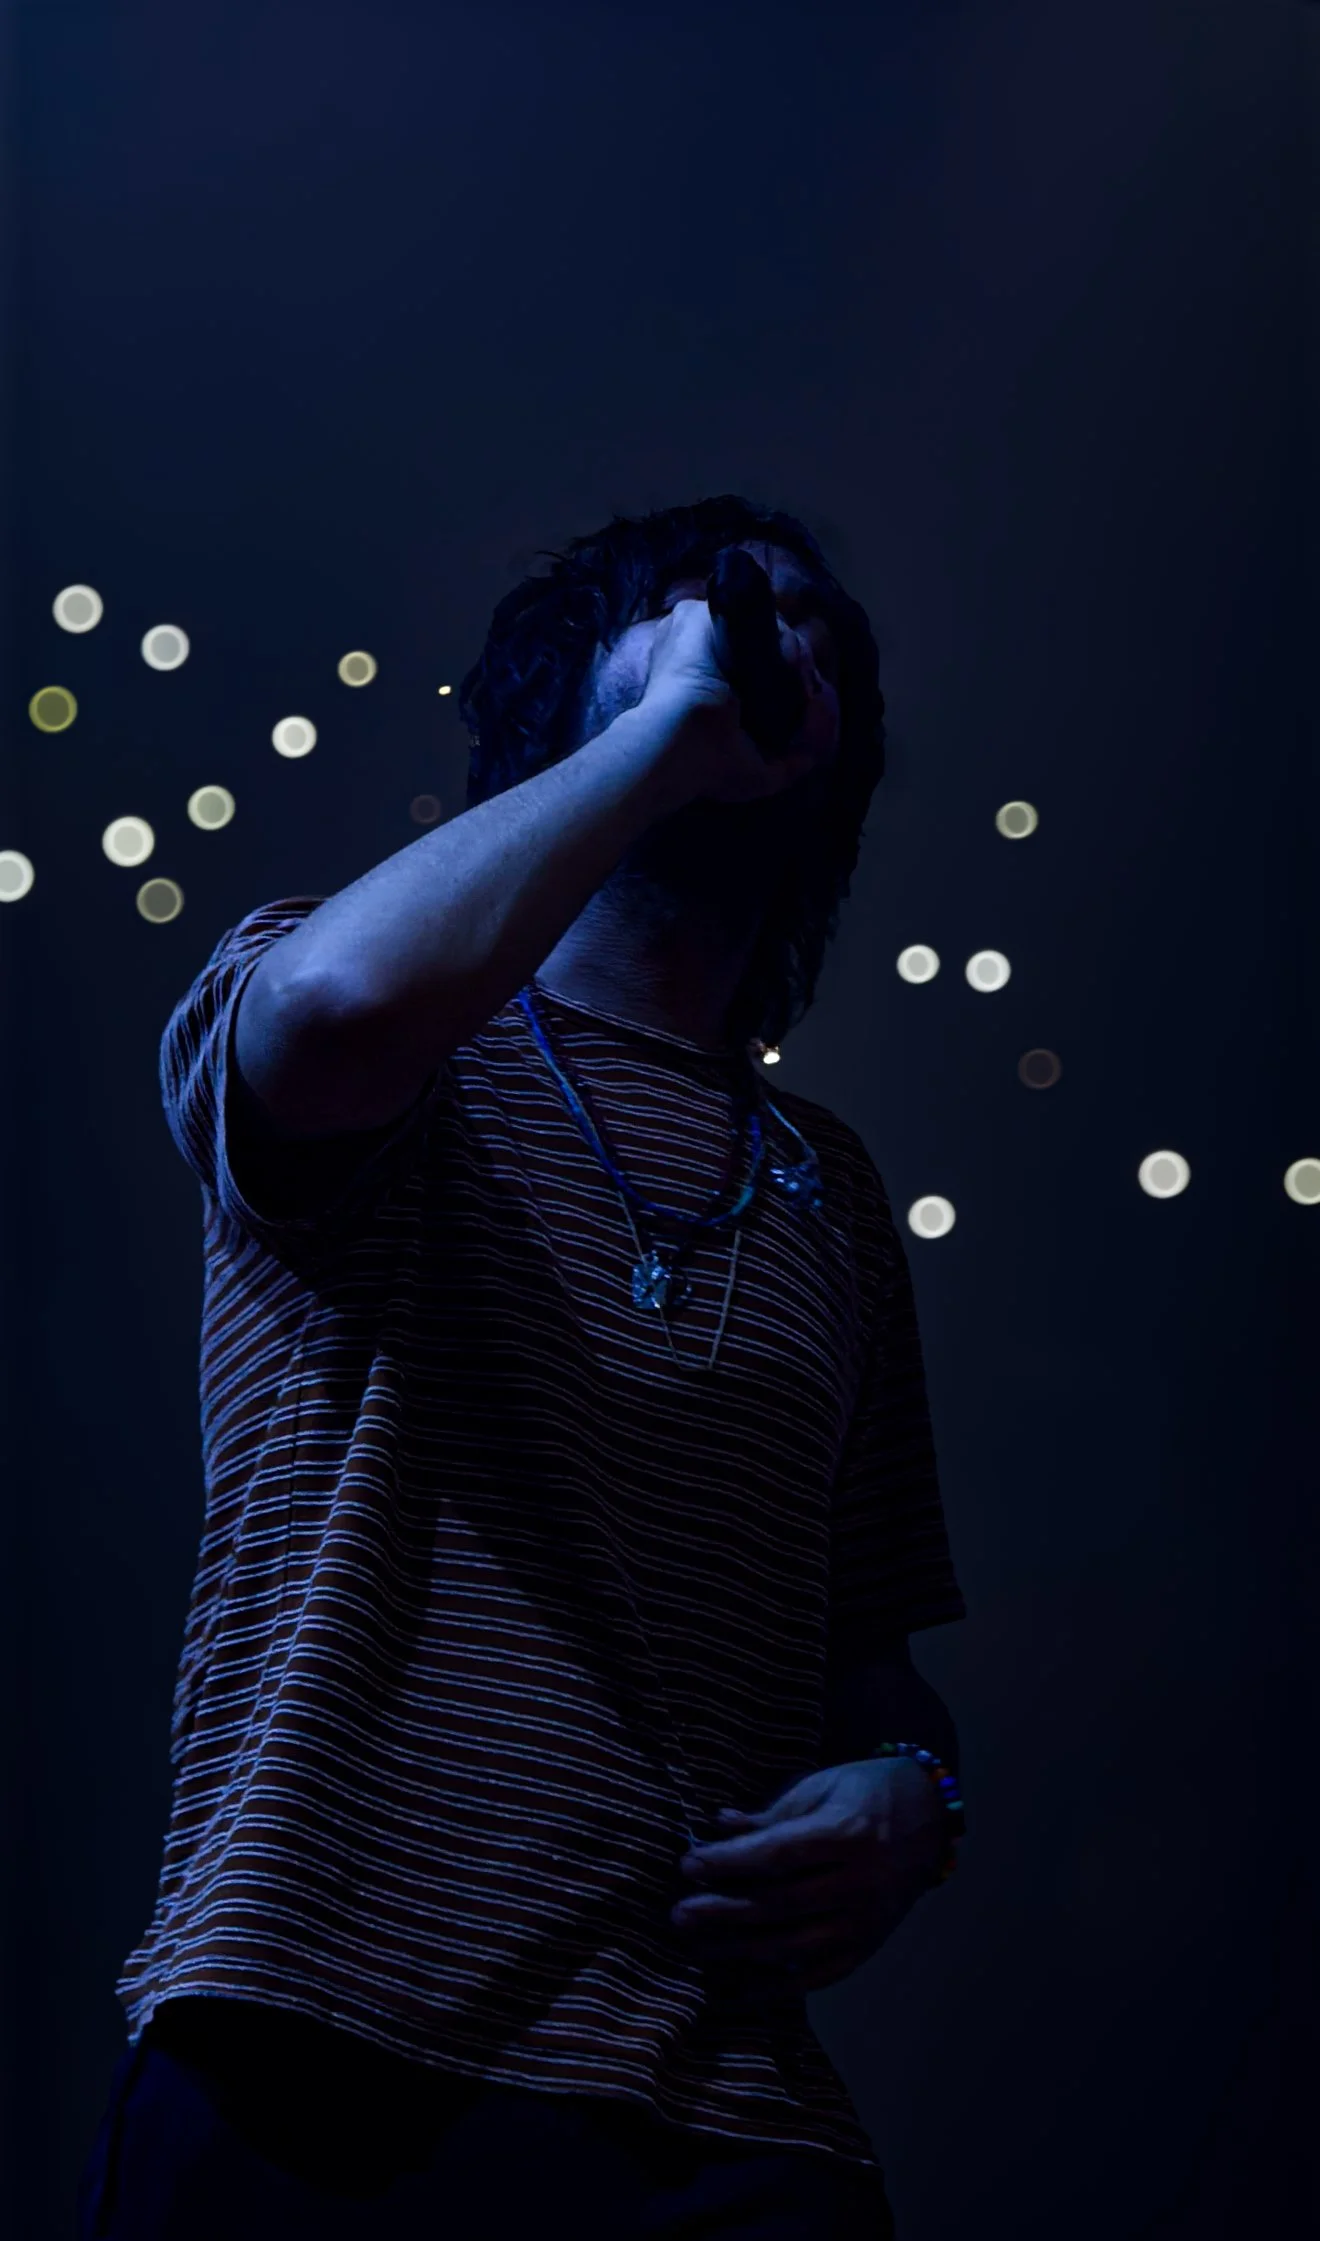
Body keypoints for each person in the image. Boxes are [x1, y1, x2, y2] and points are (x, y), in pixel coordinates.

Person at [78, 494, 967, 2239]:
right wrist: (661, 744)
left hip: (721, 2121)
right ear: (575, 691)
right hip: (314, 2058)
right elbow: (330, 1021)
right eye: (716, 605)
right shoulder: (360, 998)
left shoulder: (833, 1196)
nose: (770, 635)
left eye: (812, 635)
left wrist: (919, 1800)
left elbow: (875, 1679)